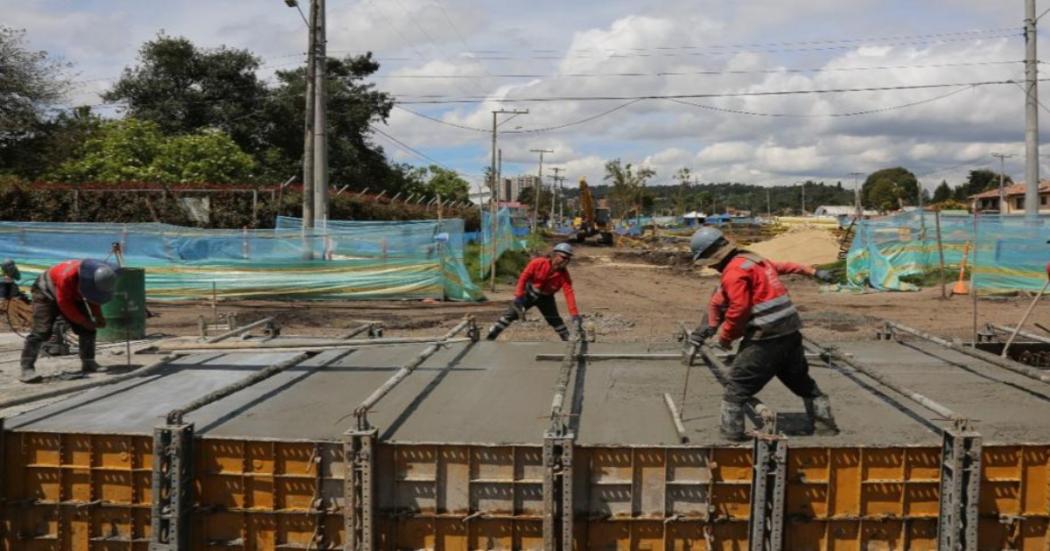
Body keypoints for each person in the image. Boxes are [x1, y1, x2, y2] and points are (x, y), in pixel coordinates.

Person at [688, 226, 839, 441]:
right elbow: (783, 266)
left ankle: (731, 436)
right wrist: (812, 271)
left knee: (736, 388)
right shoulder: (753, 260)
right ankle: (826, 427)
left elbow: (738, 310)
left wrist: (725, 338)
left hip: (766, 339)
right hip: (790, 333)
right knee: (801, 382)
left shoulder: (733, 273)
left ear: (712, 258)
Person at [20, 259, 118, 383]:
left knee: (88, 329)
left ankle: (88, 362)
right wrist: (83, 321)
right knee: (42, 331)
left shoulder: (92, 277)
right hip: (45, 293)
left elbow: (93, 297)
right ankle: (27, 368)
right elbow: (64, 304)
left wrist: (98, 316)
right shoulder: (67, 277)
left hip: (70, 294)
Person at [486, 243, 580, 341]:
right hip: (529, 294)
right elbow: (523, 277)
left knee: (555, 320)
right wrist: (519, 297)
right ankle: (491, 336)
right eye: (564, 257)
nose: (566, 261)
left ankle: (567, 340)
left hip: (546, 299)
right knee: (510, 314)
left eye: (568, 259)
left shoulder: (564, 275)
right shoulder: (538, 263)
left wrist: (574, 314)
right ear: (555, 255)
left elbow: (569, 293)